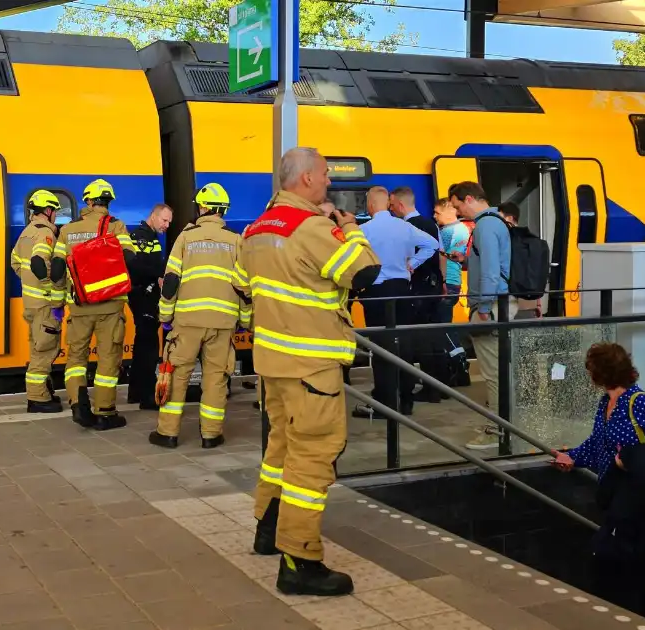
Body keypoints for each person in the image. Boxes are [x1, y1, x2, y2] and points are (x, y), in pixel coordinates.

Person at [242, 147, 380, 597]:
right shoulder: (312, 227)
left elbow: (245, 287)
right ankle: (300, 559)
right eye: (323, 175)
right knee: (313, 456)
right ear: (304, 180)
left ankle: (268, 529)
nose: (327, 182)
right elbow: (363, 272)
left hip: (273, 361)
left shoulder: (257, 228)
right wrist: (353, 229)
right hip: (312, 364)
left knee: (281, 447)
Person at [552, 343, 645, 621]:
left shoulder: (641, 404)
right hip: (619, 499)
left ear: (599, 372)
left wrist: (631, 462)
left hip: (642, 505)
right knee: (642, 571)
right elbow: (598, 446)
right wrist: (572, 457)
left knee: (614, 561)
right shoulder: (606, 404)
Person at [149, 184, 247, 450]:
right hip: (223, 322)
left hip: (188, 321)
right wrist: (246, 321)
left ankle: (167, 433)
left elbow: (170, 281)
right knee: (216, 378)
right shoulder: (235, 239)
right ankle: (211, 435)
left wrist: (165, 316)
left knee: (177, 375)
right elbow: (245, 288)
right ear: (223, 210)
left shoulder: (186, 237)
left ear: (202, 207)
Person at [50, 179, 135, 430]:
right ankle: (105, 412)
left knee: (76, 356)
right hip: (110, 305)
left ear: (87, 201)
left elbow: (56, 269)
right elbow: (129, 258)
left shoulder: (68, 230)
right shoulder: (116, 226)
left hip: (79, 305)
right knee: (108, 358)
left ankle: (77, 401)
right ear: (107, 202)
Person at [353, 186, 437, 419]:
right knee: (404, 344)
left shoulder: (364, 230)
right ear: (387, 204)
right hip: (402, 289)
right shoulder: (405, 226)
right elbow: (433, 245)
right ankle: (407, 400)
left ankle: (385, 402)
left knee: (381, 348)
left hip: (376, 292)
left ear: (370, 205)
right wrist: (413, 264)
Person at [449, 182, 510, 450]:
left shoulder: (485, 226)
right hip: (500, 303)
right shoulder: (496, 221)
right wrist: (464, 260)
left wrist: (483, 308)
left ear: (470, 198)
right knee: (501, 371)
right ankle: (505, 426)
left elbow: (490, 272)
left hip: (490, 307)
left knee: (493, 373)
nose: (457, 210)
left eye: (457, 205)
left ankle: (497, 431)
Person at [390, 187, 447, 404]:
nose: (392, 210)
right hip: (433, 285)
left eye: (393, 206)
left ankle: (429, 389)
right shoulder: (430, 224)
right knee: (434, 336)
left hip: (418, 289)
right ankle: (440, 386)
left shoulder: (407, 227)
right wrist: (441, 282)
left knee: (420, 339)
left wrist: (409, 267)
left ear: (401, 205)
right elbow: (440, 253)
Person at [12, 190, 66, 414]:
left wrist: (30, 285)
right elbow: (38, 262)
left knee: (37, 348)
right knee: (45, 350)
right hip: (44, 305)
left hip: (30, 304)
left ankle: (42, 390)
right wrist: (49, 288)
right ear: (49, 211)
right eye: (55, 212)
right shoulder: (45, 234)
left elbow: (16, 263)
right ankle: (37, 398)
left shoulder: (26, 232)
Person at [127, 203, 173, 410]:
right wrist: (162, 271)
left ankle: (135, 392)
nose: (167, 225)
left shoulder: (151, 236)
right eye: (164, 220)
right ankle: (146, 396)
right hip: (142, 296)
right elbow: (137, 267)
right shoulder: (142, 236)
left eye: (169, 222)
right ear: (153, 216)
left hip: (144, 295)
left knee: (142, 343)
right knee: (149, 345)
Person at [497, 202, 545, 319]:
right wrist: (538, 303)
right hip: (530, 303)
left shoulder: (507, 241)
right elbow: (536, 271)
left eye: (499, 218)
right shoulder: (533, 241)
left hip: (510, 302)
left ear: (509, 218)